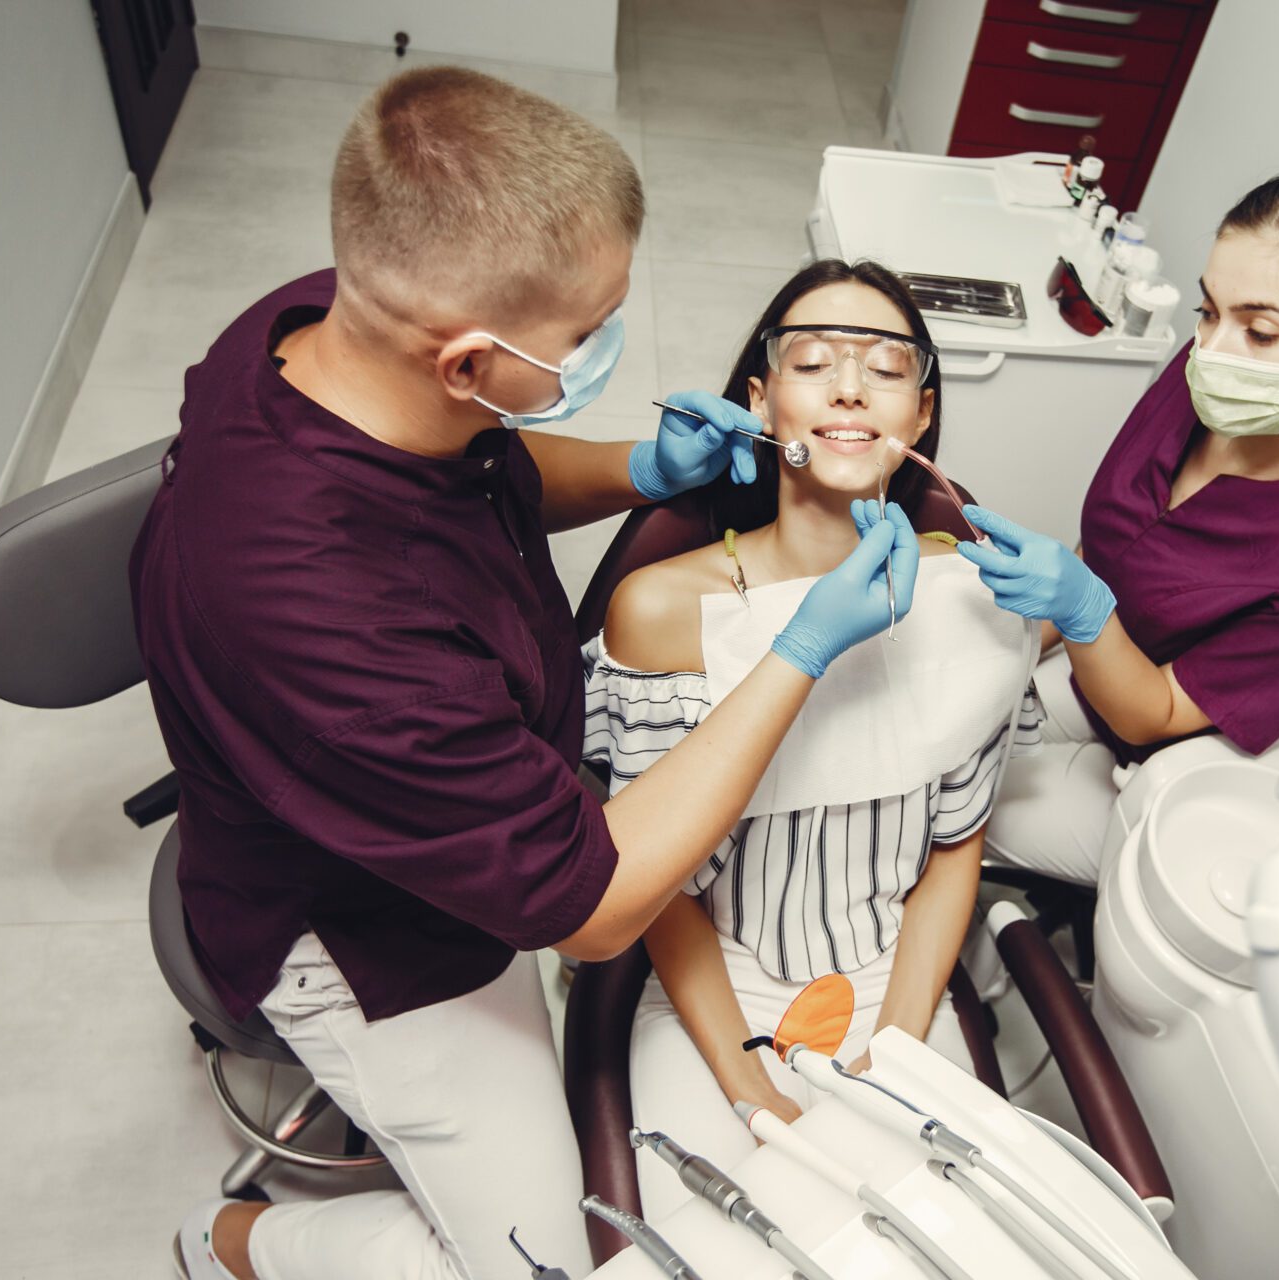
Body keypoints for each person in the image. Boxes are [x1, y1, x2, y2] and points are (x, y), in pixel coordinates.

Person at [138, 69, 916, 1280]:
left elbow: (481, 464)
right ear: (464, 359)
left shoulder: (324, 324)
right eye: (585, 338)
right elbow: (595, 902)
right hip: (366, 931)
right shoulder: (324, 609)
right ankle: (241, 1241)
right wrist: (802, 647)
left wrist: (633, 469)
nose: (609, 347)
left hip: (451, 809)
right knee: (550, 1263)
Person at [582, 260, 1043, 1218]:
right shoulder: (665, 609)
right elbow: (657, 884)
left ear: (920, 416)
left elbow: (956, 850)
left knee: (944, 1231)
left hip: (894, 979)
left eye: (883, 368)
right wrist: (752, 1091)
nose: (847, 387)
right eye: (814, 362)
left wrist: (896, 1050)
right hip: (716, 983)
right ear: (762, 402)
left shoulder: (978, 596)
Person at [963, 168, 1279, 885]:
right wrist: (994, 654)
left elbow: (1150, 715)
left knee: (930, 807)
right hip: (1074, 661)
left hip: (1144, 764)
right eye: (1207, 311)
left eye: (1259, 330)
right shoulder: (1213, 380)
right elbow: (1101, 549)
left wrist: (1078, 610)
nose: (1215, 348)